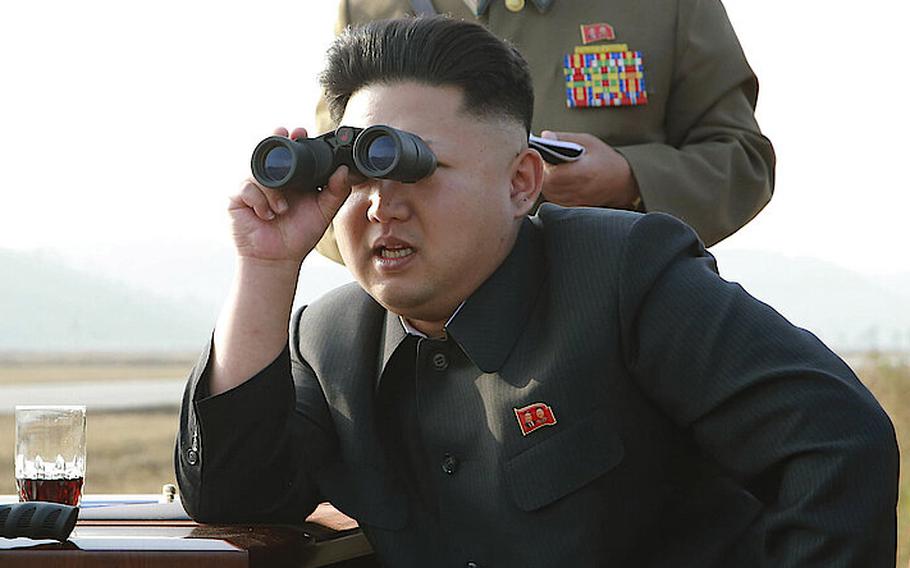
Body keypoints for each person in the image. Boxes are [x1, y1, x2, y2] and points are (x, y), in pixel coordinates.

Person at [175, 16, 898, 567]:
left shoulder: (624, 276)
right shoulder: (329, 340)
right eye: (359, 174)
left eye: (416, 170)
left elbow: (840, 442)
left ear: (521, 183)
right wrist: (266, 268)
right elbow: (232, 499)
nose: (380, 206)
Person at [312, 0, 776, 263]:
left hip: (618, 304)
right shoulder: (371, 8)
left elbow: (742, 160)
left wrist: (630, 179)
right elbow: (332, 190)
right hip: (436, 337)